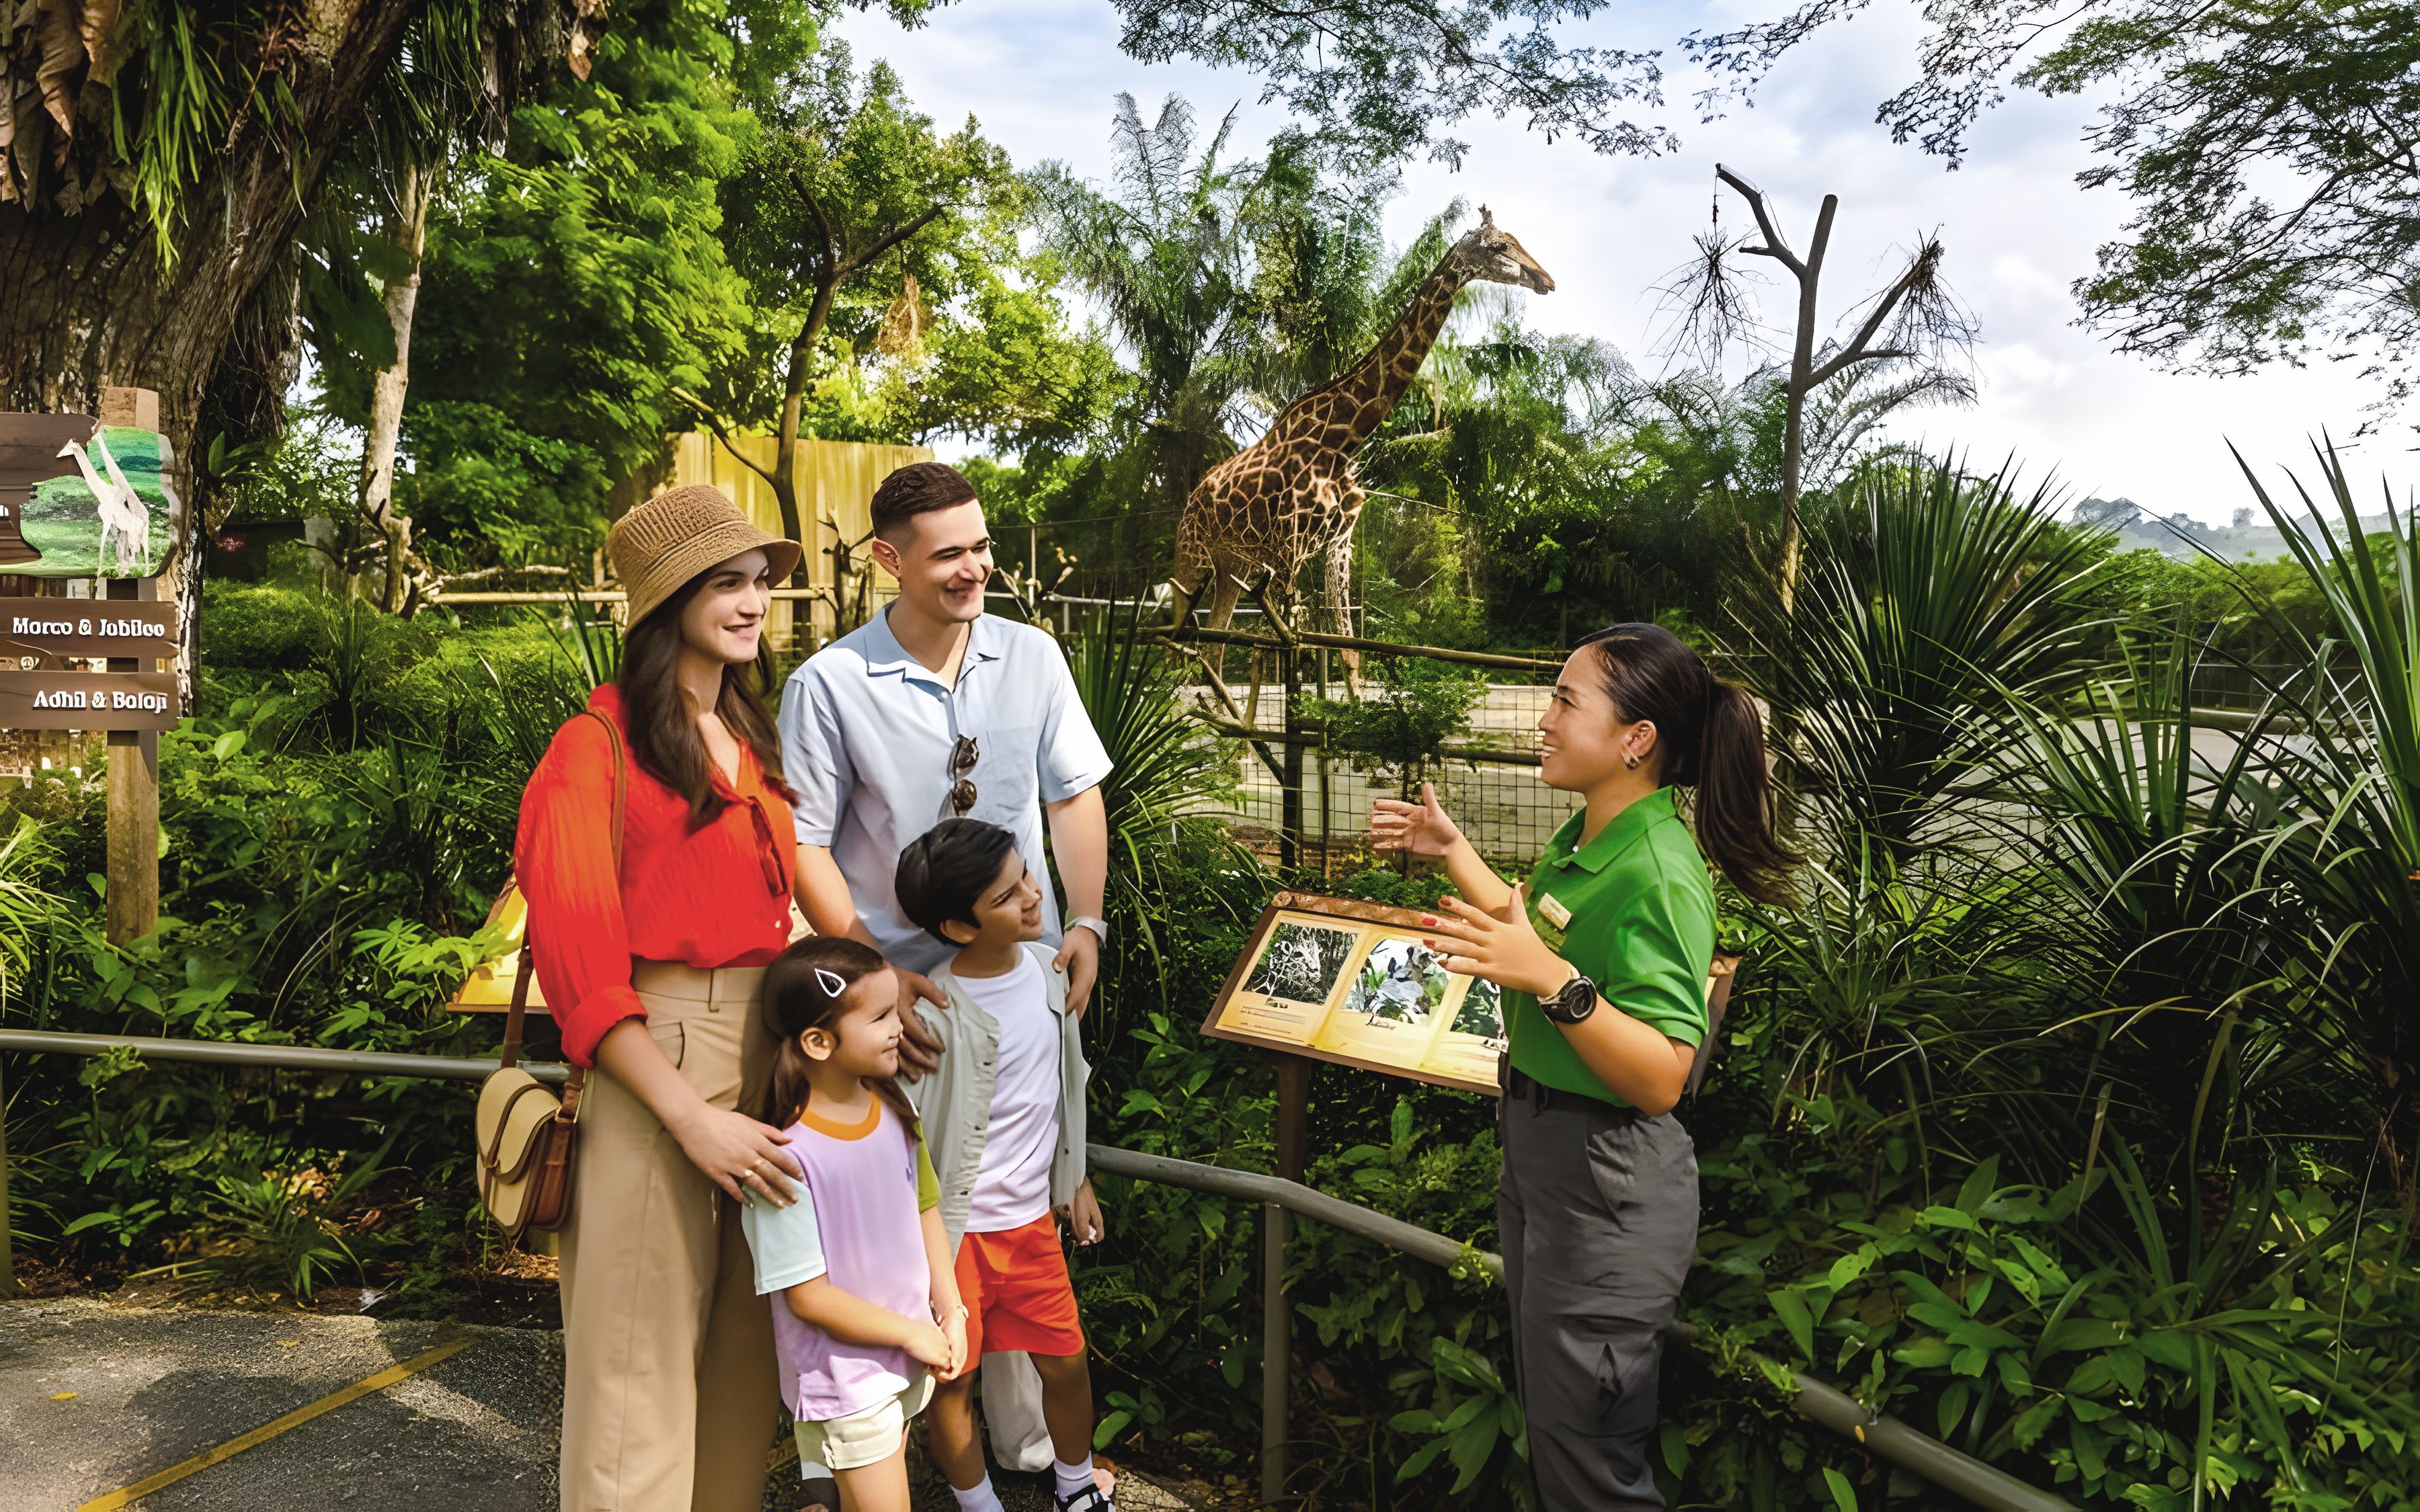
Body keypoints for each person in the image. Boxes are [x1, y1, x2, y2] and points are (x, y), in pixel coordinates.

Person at [1373, 622, 1796, 1512]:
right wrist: (1453, 850)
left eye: (1568, 699)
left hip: (1606, 1181)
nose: (1546, 717)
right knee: (1565, 1439)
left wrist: (1556, 985)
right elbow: (1542, 928)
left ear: (1636, 739)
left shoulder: (1659, 871)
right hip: (1547, 1159)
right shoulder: (1592, 832)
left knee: (1593, 1472)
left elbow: (1662, 1076)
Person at [780, 458, 1114, 1470]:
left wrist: (1086, 921)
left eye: (982, 546)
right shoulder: (829, 683)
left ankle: (1019, 1447)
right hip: (902, 1007)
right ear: (887, 558)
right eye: (949, 553)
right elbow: (804, 842)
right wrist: (877, 972)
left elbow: (1072, 796)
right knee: (907, 1206)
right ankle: (871, 1431)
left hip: (1022, 984)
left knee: (1014, 1195)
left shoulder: (1033, 655)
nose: (975, 569)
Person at [516, 484, 812, 1512]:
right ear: (665, 597)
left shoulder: (745, 738)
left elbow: (777, 917)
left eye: (761, 579)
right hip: (656, 1068)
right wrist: (688, 1118)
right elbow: (585, 979)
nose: (753, 599)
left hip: (766, 1059)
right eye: (726, 581)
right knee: (634, 1378)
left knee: (741, 1367)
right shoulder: (590, 750)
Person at [892, 818, 1113, 1512]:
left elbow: (1066, 1085)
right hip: (953, 1239)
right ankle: (977, 1502)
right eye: (1005, 894)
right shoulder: (931, 1009)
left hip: (1030, 1228)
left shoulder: (1052, 977)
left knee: (1068, 1363)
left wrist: (1074, 1178)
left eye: (1024, 874)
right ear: (960, 928)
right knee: (952, 1381)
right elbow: (907, 1133)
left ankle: (1075, 1486)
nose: (1030, 894)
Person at [740, 937, 972, 1512]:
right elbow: (808, 1297)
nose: (899, 1027)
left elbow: (925, 1211)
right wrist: (913, 1332)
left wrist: (951, 1309)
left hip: (903, 1354)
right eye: (880, 1017)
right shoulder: (784, 1156)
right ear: (819, 1041)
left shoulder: (895, 1108)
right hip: (846, 1380)